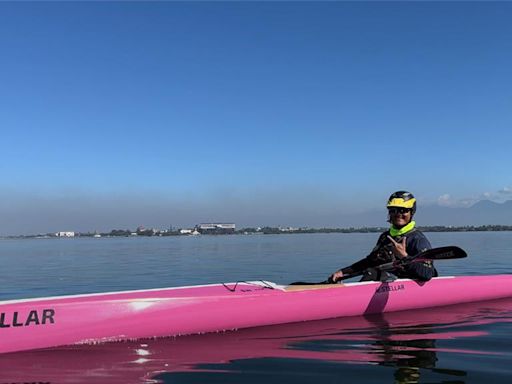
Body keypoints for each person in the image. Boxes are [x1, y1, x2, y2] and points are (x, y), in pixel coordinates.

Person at [330, 191, 437, 283]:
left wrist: (404, 256)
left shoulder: (418, 240)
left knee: (380, 275)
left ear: (411, 212)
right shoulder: (385, 237)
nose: (398, 214)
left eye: (403, 210)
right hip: (382, 286)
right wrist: (343, 272)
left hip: (404, 287)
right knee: (372, 272)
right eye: (393, 210)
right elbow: (370, 261)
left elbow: (427, 273)